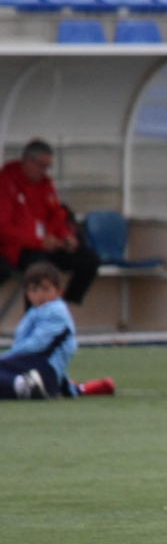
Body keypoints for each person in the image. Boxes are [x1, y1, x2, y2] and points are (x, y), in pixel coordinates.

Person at [0, 140, 101, 305]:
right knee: (39, 269)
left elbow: (56, 216)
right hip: (19, 248)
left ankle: (65, 307)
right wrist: (39, 242)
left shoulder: (45, 184)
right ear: (27, 160)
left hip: (48, 245)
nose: (44, 171)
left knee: (89, 260)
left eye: (47, 166)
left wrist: (66, 237)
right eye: (40, 165)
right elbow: (3, 229)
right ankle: (36, 320)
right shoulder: (6, 182)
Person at [0, 261, 76, 399]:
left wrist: (7, 357)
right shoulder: (36, 311)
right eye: (34, 290)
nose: (40, 295)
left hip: (43, 370)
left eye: (46, 289)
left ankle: (24, 385)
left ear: (58, 291)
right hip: (32, 368)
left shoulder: (56, 311)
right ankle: (23, 385)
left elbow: (38, 344)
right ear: (27, 293)